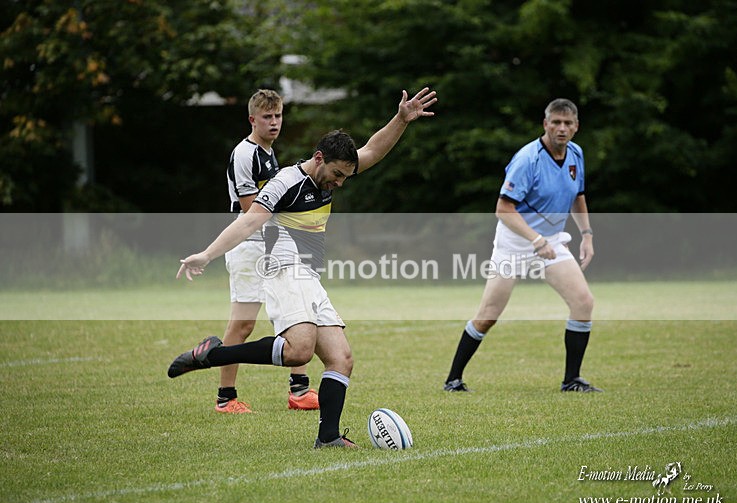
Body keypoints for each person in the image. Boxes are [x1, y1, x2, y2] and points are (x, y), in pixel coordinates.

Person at [168, 87, 438, 448]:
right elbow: (248, 222)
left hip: (308, 275)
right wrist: (206, 254)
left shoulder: (337, 167)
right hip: (281, 266)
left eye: (345, 176)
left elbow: (373, 149)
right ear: (318, 157)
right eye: (337, 175)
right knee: (298, 349)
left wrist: (401, 120)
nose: (340, 182)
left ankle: (327, 438)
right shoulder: (286, 182)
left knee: (341, 358)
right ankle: (213, 355)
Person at [443, 98, 602, 393]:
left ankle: (571, 380)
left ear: (576, 127)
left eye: (568, 123)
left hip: (551, 241)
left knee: (583, 303)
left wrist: (587, 235)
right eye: (556, 122)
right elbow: (503, 210)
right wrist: (535, 239)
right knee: (488, 315)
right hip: (514, 242)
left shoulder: (576, 155)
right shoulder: (528, 159)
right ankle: (453, 379)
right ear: (545, 124)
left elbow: (578, 196)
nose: (562, 128)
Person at [217, 88, 318, 414]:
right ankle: (225, 397)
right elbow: (252, 212)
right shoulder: (245, 154)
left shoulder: (269, 153)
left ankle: (299, 392)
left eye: (278, 116)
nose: (274, 122)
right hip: (249, 247)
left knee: (296, 309)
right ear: (252, 119)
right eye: (267, 117)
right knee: (243, 324)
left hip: (273, 245)